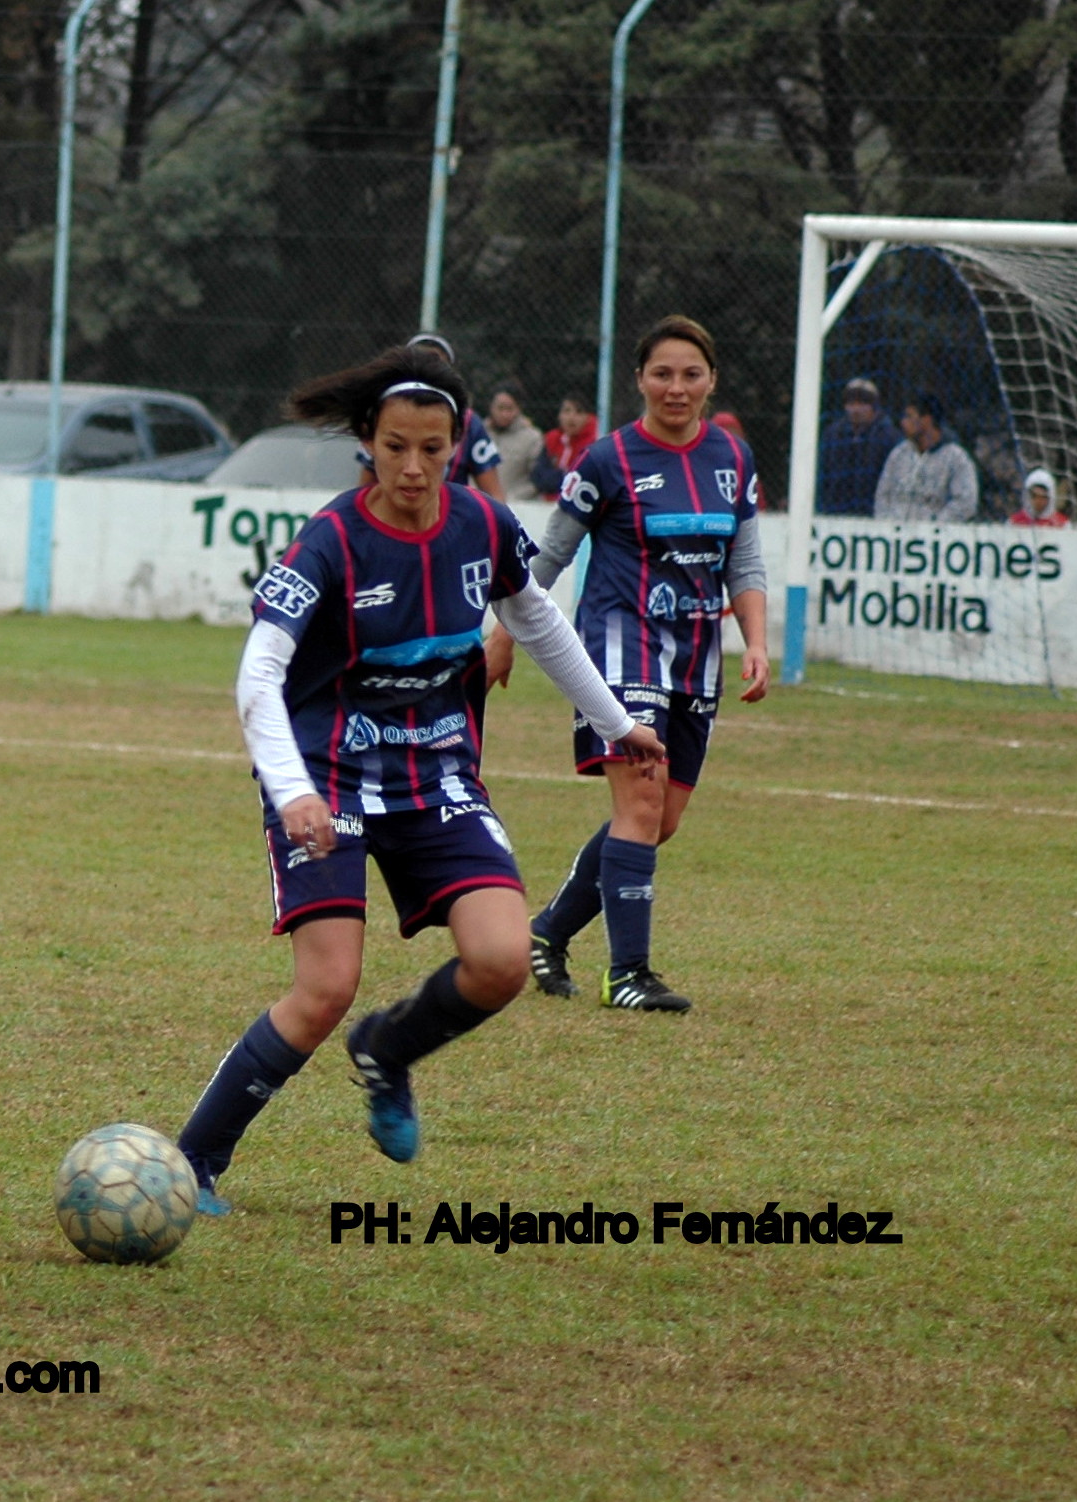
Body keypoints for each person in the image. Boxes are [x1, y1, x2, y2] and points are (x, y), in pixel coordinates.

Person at [171, 346, 664, 1216]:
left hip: (435, 771)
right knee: (325, 986)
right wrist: (292, 792)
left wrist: (617, 724)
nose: (412, 466)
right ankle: (195, 1161)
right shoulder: (330, 540)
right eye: (395, 446)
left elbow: (538, 623)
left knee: (504, 960)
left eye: (432, 449)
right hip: (327, 775)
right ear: (367, 441)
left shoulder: (481, 525)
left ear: (458, 443)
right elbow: (258, 674)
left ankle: (389, 1051)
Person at [510, 315, 770, 1016]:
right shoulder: (606, 460)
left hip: (696, 654)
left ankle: (545, 934)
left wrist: (757, 641)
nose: (676, 388)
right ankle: (628, 974)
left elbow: (743, 560)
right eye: (663, 374)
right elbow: (550, 553)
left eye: (691, 374)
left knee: (662, 819)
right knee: (641, 801)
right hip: (619, 645)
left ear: (711, 380)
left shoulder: (733, 460)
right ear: (640, 380)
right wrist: (501, 632)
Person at [404, 334, 505, 500]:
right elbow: (365, 489)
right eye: (419, 362)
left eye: (436, 364)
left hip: (451, 520)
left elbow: (495, 496)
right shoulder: (383, 417)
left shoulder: (469, 423)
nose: (427, 371)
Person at [873, 393, 979, 522]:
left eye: (909, 416)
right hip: (895, 536)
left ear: (926, 420)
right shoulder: (899, 454)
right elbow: (883, 495)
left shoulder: (956, 458)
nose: (903, 422)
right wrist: (886, 524)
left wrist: (934, 526)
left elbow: (966, 502)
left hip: (933, 538)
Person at [816, 377, 902, 516]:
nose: (856, 409)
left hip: (874, 510)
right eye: (851, 403)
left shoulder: (890, 436)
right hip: (835, 510)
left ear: (874, 406)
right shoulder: (832, 434)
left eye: (862, 403)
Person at [485, 383, 544, 502]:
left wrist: (514, 498)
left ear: (519, 409)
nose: (504, 414)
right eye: (500, 408)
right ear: (491, 407)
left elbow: (538, 479)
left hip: (515, 506)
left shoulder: (532, 438)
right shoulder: (478, 434)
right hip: (478, 504)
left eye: (510, 409)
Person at [536, 394, 598, 495]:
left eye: (579, 412)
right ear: (559, 415)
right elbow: (538, 475)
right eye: (566, 411)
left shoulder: (595, 442)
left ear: (588, 417)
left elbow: (586, 479)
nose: (571, 417)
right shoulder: (552, 439)